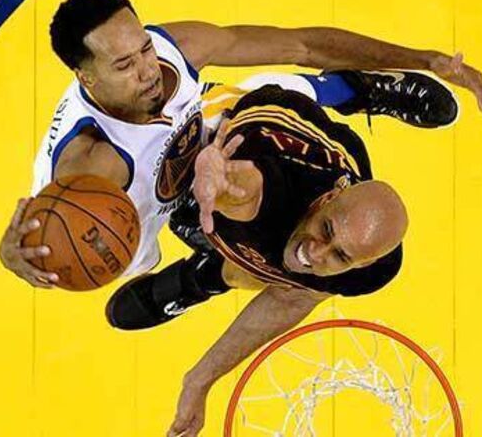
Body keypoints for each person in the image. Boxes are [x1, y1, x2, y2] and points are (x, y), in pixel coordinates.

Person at [0, 0, 482, 289]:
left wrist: (426, 60)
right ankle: (202, 274)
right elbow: (43, 242)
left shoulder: (177, 50)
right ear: (86, 78)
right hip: (140, 210)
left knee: (265, 99)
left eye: (145, 48)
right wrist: (15, 255)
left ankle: (354, 88)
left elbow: (303, 45)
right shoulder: (91, 168)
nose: (148, 70)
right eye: (125, 65)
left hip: (205, 137)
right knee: (171, 265)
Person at [104, 85, 408, 436]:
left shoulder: (367, 268)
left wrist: (199, 380)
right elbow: (246, 187)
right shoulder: (268, 195)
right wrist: (216, 183)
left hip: (310, 183)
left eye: (340, 255)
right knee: (173, 192)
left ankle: (201, 278)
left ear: (361, 264)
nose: (317, 252)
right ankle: (348, 85)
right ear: (329, 198)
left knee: (285, 271)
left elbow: (293, 296)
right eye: (326, 229)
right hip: (234, 127)